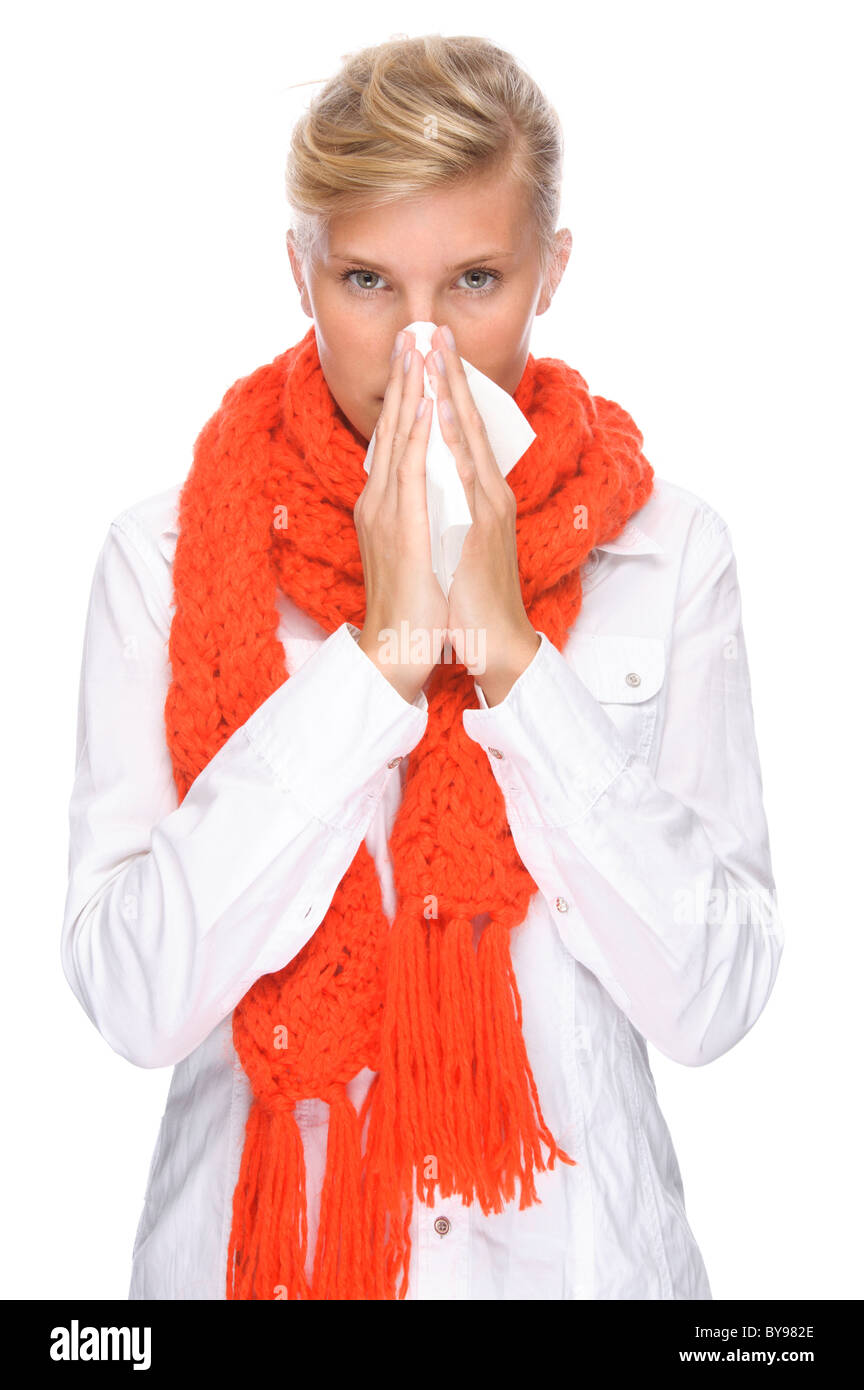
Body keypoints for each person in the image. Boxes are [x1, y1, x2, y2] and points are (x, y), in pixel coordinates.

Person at [61, 32, 783, 1301]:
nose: (422, 346)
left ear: (552, 272)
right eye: (366, 281)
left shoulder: (666, 552)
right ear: (298, 273)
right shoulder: (165, 554)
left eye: (476, 279)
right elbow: (133, 996)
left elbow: (716, 999)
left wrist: (512, 662)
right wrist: (378, 671)